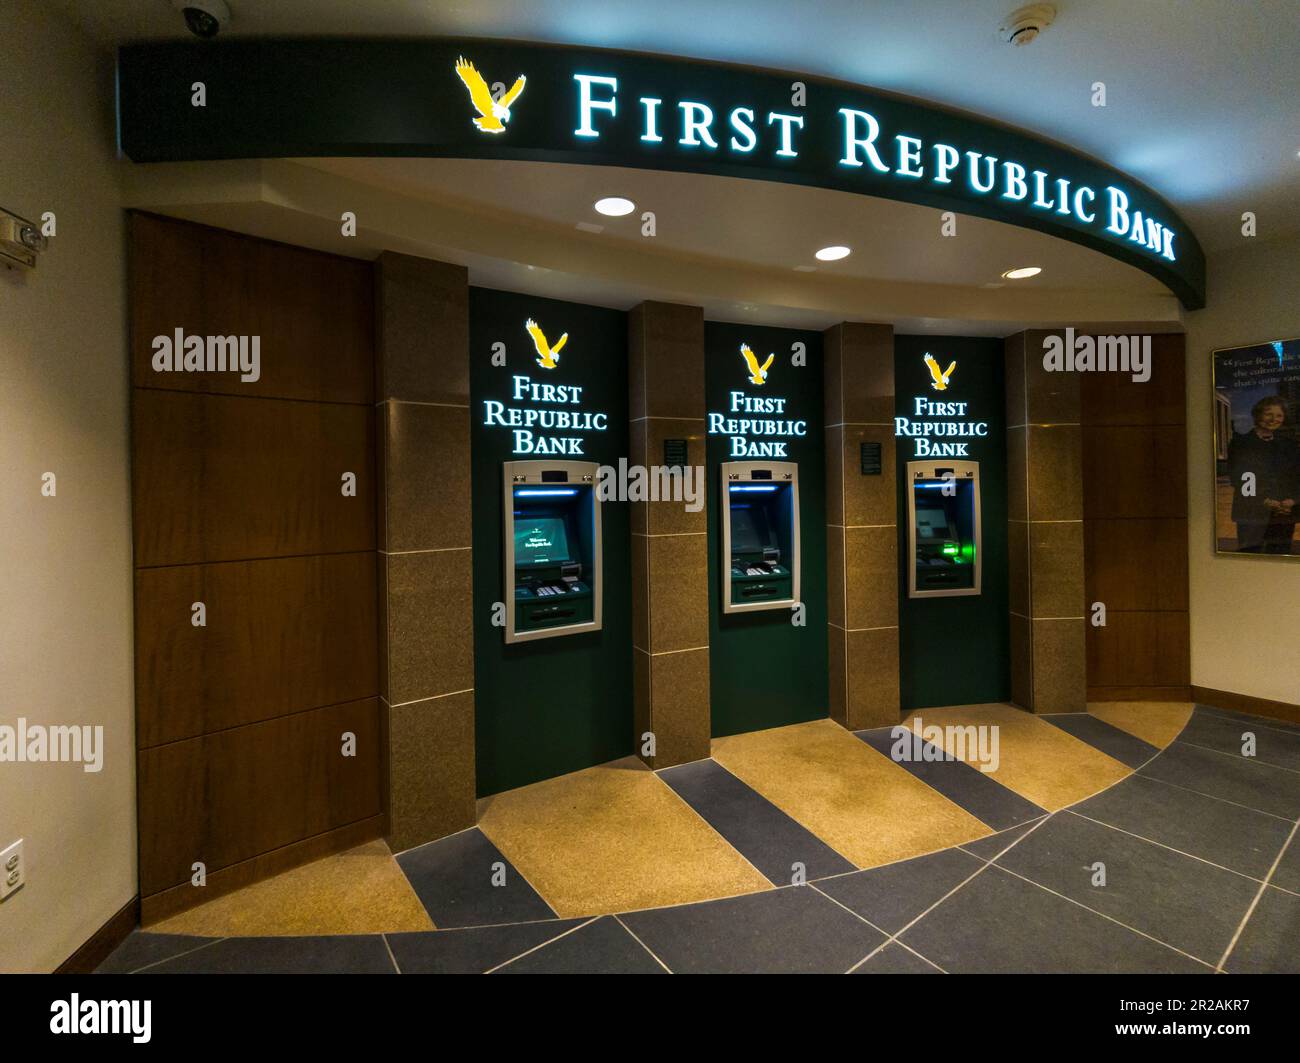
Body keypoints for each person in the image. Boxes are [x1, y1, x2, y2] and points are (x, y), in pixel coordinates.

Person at [1228, 396, 1299, 553]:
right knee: (1250, 557)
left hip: (1283, 514)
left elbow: (1296, 477)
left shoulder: (1289, 445)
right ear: (1258, 415)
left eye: (1279, 415)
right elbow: (1238, 479)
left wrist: (1293, 500)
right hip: (1251, 514)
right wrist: (1265, 501)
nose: (1274, 419)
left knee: (1280, 558)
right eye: (1268, 414)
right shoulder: (1241, 443)